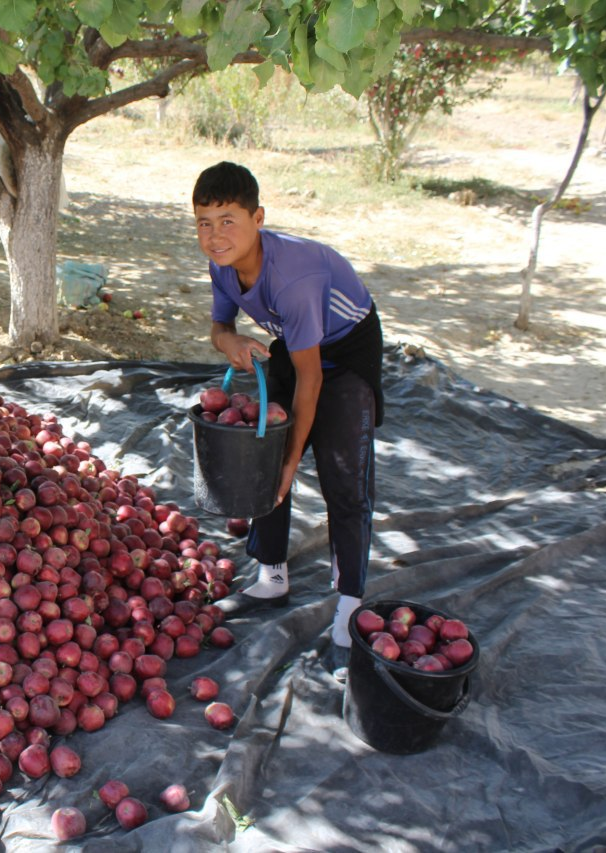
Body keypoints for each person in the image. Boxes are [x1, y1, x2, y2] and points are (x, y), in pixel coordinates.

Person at [191, 161, 384, 679]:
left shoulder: (295, 276)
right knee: (260, 454)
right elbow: (219, 324)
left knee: (344, 476)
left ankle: (349, 601)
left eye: (228, 220)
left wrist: (291, 463)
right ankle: (271, 573)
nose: (215, 235)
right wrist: (228, 341)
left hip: (343, 355)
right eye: (204, 222)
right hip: (297, 349)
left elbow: (311, 379)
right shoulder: (222, 264)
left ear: (258, 218)